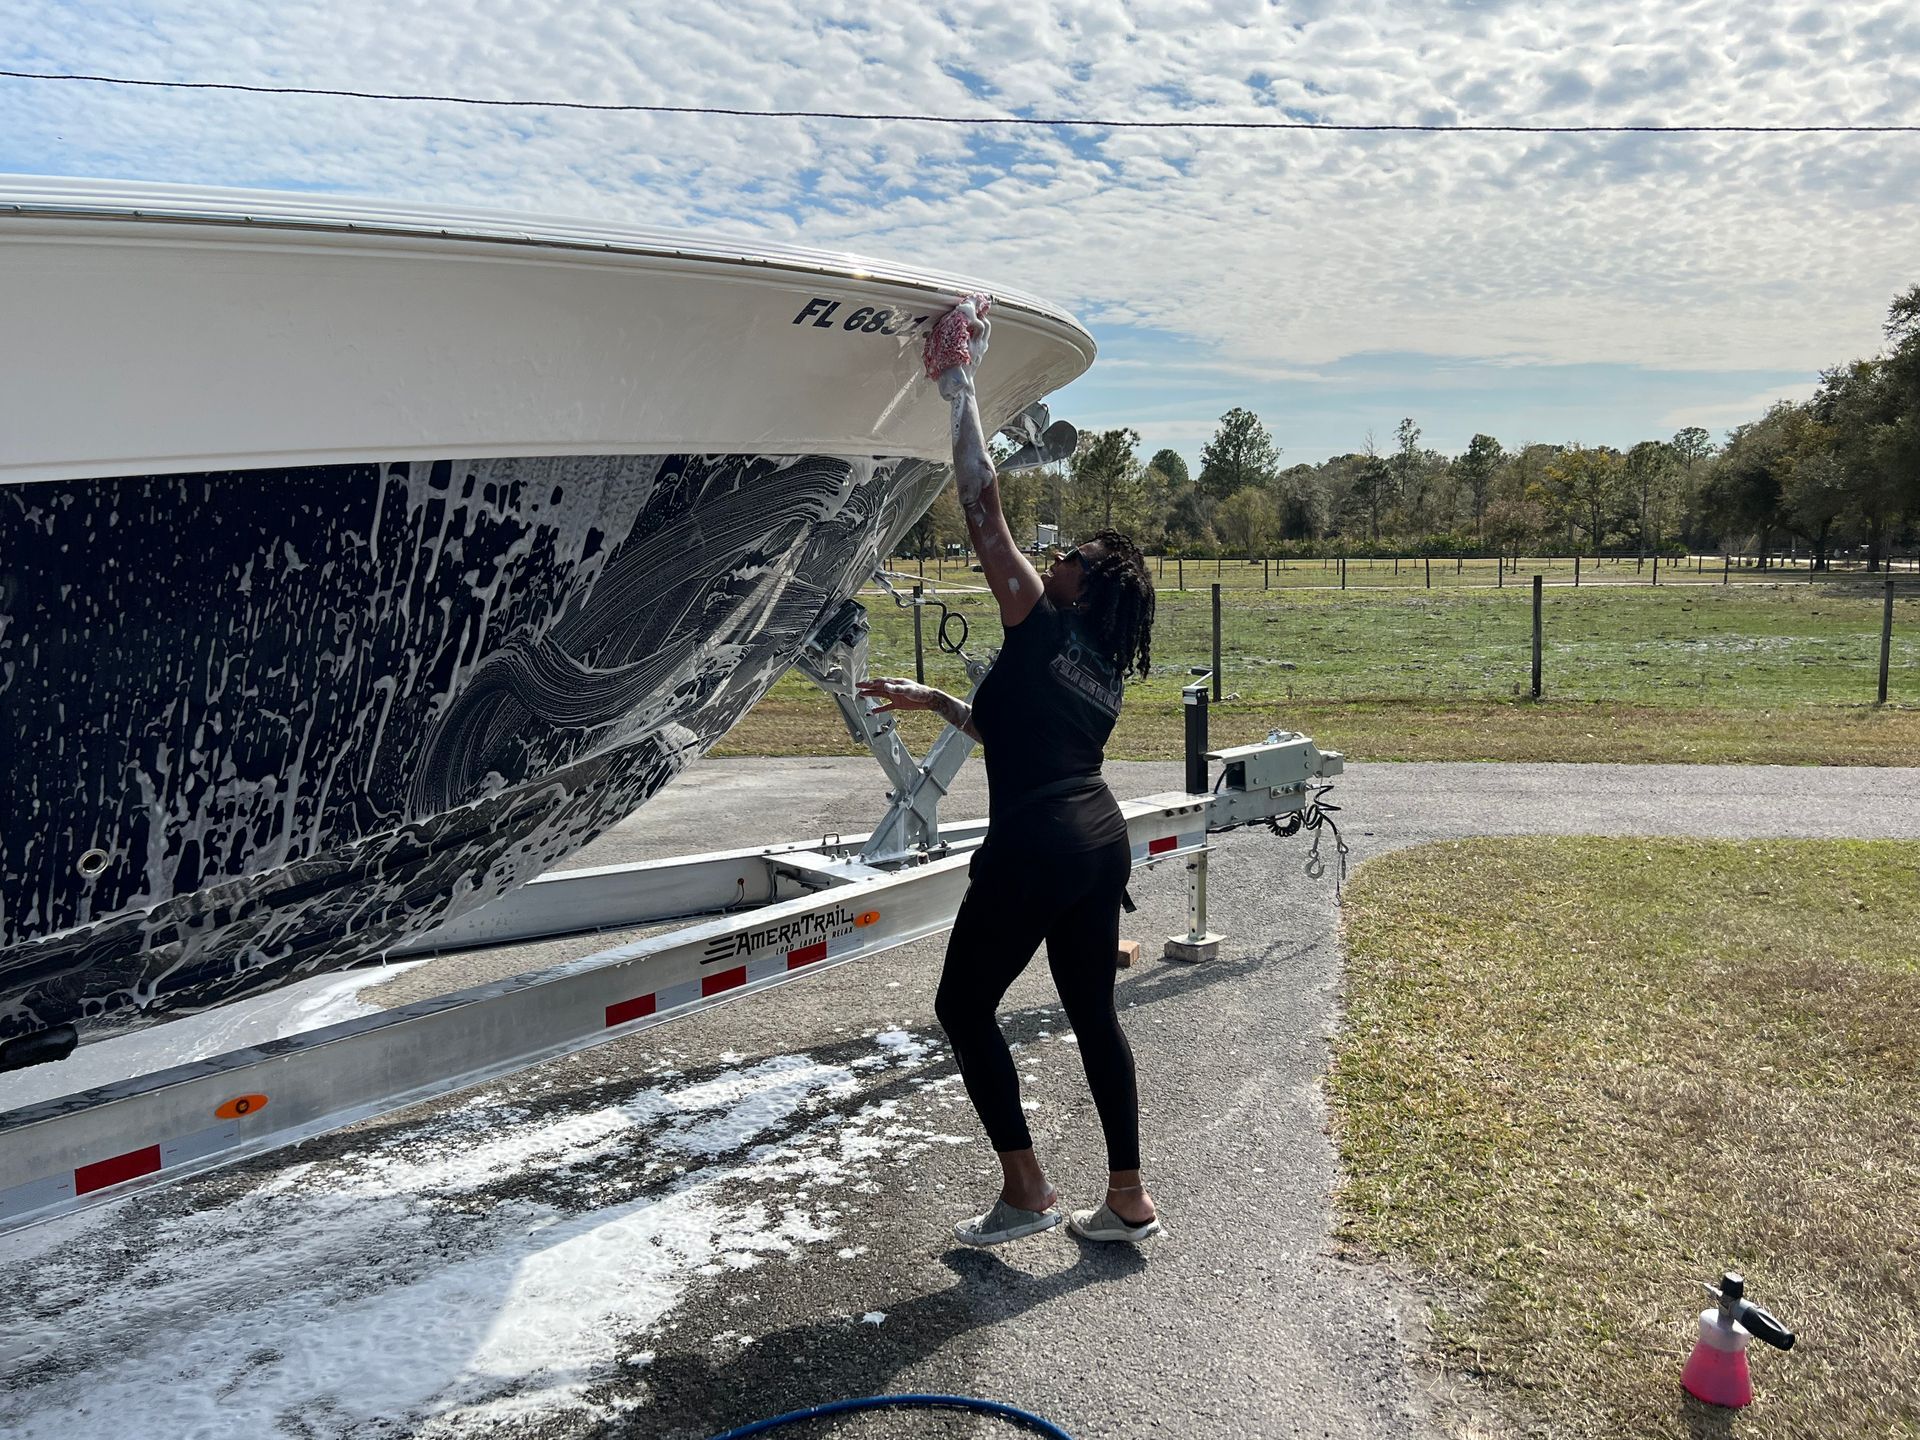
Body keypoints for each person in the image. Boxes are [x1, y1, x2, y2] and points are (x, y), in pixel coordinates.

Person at [857, 300, 1161, 1246]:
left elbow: (983, 505)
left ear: (1083, 584)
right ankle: (1127, 1199)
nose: (1054, 557)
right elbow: (1010, 730)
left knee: (961, 1006)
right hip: (1095, 839)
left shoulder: (1042, 617)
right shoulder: (1101, 669)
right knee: (1093, 1017)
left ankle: (1026, 1191)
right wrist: (934, 701)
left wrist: (961, 386)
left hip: (1033, 844)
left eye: (1068, 556)